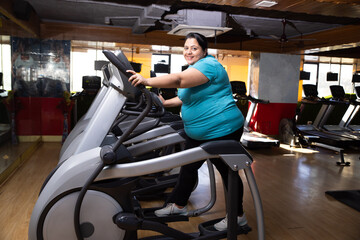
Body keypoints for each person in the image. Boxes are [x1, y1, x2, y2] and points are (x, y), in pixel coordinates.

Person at [127, 32, 246, 231]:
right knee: (188, 168)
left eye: (194, 48)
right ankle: (178, 206)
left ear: (204, 50)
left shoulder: (209, 65)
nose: (189, 52)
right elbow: (186, 97)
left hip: (222, 130)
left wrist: (146, 80)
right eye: (186, 48)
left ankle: (237, 216)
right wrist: (166, 103)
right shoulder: (195, 67)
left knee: (228, 174)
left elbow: (179, 81)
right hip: (199, 133)